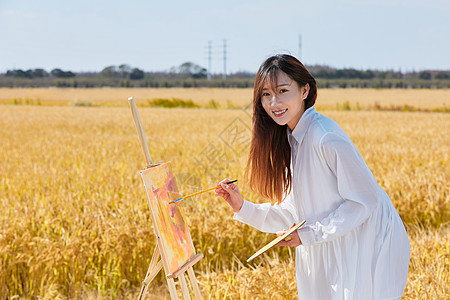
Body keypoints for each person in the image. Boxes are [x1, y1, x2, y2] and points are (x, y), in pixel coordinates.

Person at [215, 54, 410, 299]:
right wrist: (242, 207)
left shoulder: (324, 136)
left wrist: (310, 234)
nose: (274, 102)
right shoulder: (291, 139)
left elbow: (364, 200)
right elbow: (294, 213)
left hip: (368, 240)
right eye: (266, 94)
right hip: (331, 239)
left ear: (305, 90)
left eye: (283, 91)